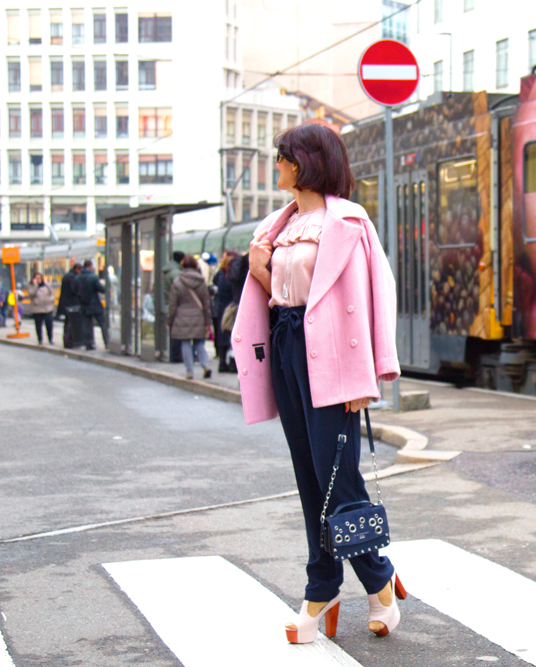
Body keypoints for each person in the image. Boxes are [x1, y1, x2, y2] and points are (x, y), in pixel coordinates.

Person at [232, 123, 402, 643]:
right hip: (287, 350)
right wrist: (259, 269)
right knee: (311, 474)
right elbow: (282, 296)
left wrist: (370, 374)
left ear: (305, 162)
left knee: (337, 476)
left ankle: (347, 582)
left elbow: (379, 295)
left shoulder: (349, 221)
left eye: (282, 158)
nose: (277, 166)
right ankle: (359, 581)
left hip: (334, 360)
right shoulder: (278, 225)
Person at [167, 255, 213, 380]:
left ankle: (190, 371)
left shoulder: (177, 282)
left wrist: (169, 320)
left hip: (182, 316)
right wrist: (208, 321)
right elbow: (206, 302)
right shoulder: (201, 281)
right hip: (198, 316)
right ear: (195, 266)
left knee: (185, 343)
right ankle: (206, 365)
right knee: (199, 343)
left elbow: (172, 304)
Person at [212, 250, 238, 372]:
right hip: (231, 308)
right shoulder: (233, 274)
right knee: (232, 336)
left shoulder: (220, 274)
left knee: (222, 335)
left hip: (221, 308)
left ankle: (222, 362)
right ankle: (232, 363)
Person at [75, 260, 107, 350]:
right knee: (102, 323)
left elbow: (75, 290)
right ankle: (107, 342)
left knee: (87, 325)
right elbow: (101, 289)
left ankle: (89, 343)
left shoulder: (78, 278)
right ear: (90, 266)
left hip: (84, 305)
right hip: (95, 305)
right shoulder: (93, 277)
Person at [164, 250, 185, 363]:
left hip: (170, 303)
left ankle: (174, 355)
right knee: (178, 333)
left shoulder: (168, 270)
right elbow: (179, 291)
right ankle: (176, 356)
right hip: (177, 305)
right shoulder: (176, 273)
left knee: (174, 332)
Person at [57, 263, 83, 348]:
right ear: (77, 269)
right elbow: (73, 290)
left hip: (65, 303)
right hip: (72, 304)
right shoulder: (73, 277)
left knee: (67, 322)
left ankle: (67, 341)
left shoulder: (67, 276)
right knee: (71, 323)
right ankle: (70, 341)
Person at [26, 272, 55, 345]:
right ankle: (40, 339)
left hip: (47, 308)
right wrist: (36, 285)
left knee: (49, 323)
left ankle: (50, 338)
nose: (38, 280)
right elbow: (31, 294)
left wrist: (51, 300)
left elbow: (52, 293)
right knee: (38, 324)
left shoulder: (47, 285)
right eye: (36, 278)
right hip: (37, 309)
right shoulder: (31, 286)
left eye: (39, 278)